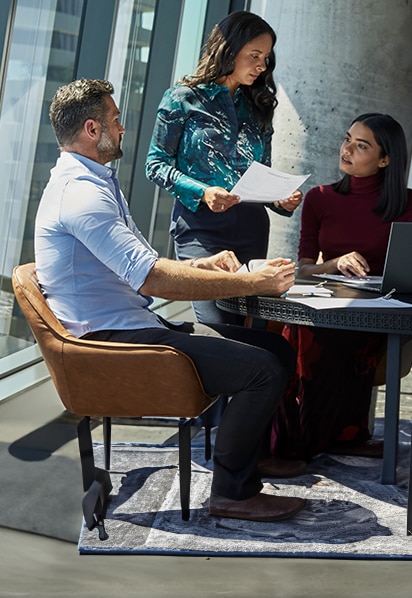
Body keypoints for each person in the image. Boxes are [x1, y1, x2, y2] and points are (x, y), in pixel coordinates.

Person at [34, 78, 306, 523]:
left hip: (131, 325)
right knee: (264, 369)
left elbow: (141, 265)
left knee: (274, 347)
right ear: (90, 128)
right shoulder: (81, 195)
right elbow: (154, 279)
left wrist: (203, 266)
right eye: (115, 121)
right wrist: (250, 282)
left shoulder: (93, 182)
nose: (122, 129)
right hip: (114, 342)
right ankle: (232, 492)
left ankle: (246, 457)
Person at [270, 112, 412, 461]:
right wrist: (333, 264)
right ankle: (293, 442)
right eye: (347, 139)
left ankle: (343, 434)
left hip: (382, 317)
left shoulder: (409, 205)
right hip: (329, 309)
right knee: (297, 329)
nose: (346, 149)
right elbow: (304, 268)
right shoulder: (319, 198)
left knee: (321, 337)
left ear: (385, 159)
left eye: (360, 145)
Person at [145, 11, 302, 325]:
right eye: (254, 55)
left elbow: (262, 173)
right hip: (200, 228)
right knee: (218, 324)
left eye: (266, 58)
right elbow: (155, 164)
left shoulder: (260, 106)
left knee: (255, 324)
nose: (261, 65)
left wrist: (281, 200)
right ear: (229, 50)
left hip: (253, 229)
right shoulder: (182, 99)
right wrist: (203, 192)